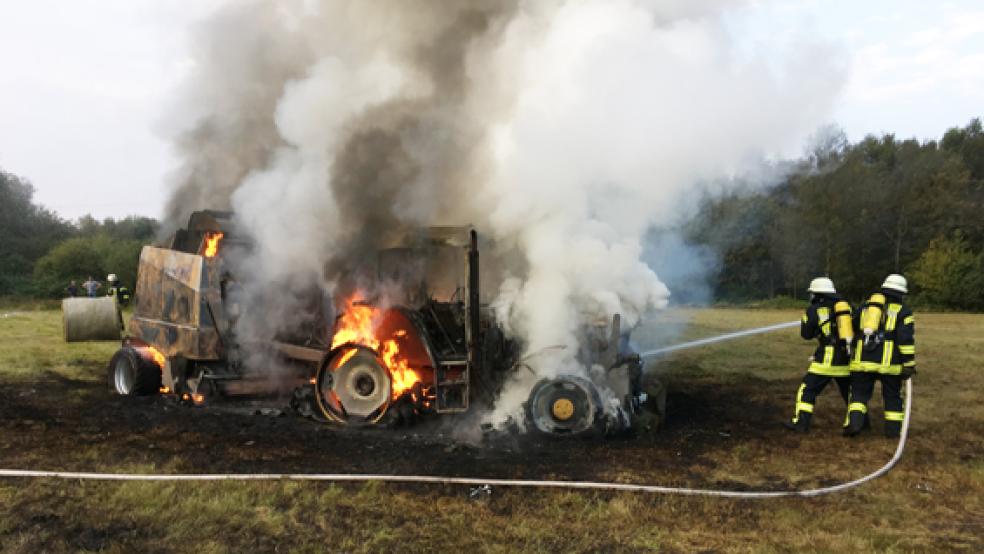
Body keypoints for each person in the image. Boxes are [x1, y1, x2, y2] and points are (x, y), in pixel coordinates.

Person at [844, 274, 915, 438]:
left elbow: (852, 327)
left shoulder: (866, 307)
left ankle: (855, 424)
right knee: (892, 397)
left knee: (859, 395)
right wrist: (909, 364)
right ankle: (893, 431)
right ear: (901, 293)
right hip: (890, 365)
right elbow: (906, 340)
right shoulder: (904, 312)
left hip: (863, 362)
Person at [783, 277, 854, 433]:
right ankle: (859, 423)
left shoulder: (814, 310)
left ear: (818, 294)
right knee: (851, 393)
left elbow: (806, 334)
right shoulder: (847, 307)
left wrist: (806, 320)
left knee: (807, 389)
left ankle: (801, 423)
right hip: (847, 359)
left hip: (826, 360)